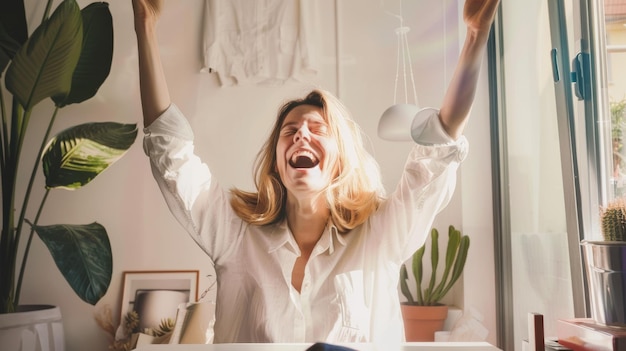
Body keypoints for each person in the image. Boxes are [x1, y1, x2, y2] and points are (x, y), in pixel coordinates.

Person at [132, 0, 499, 344]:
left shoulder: (381, 234)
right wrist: (145, 27)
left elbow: (436, 150)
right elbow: (170, 155)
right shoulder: (234, 236)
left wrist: (475, 34)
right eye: (289, 132)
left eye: (317, 130)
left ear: (340, 159)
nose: (301, 135)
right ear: (277, 162)